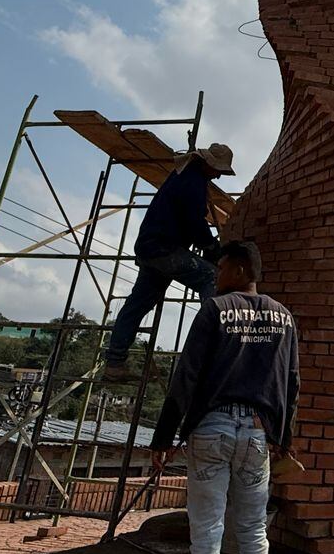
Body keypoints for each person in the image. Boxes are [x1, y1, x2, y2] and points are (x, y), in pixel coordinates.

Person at [150, 239, 299, 554]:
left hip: (212, 432)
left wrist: (164, 436)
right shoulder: (285, 318)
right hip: (257, 435)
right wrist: (282, 439)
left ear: (237, 268)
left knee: (208, 536)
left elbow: (187, 375)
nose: (215, 275)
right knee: (254, 533)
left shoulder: (215, 310)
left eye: (220, 268)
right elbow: (292, 383)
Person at [101, 142, 235, 383]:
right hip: (163, 249)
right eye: (218, 171)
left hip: (152, 247)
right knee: (211, 277)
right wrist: (212, 247)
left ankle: (114, 362)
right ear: (207, 164)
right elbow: (194, 223)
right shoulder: (193, 182)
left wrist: (206, 244)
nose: (218, 176)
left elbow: (188, 221)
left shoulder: (185, 175)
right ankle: (209, 349)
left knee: (137, 304)